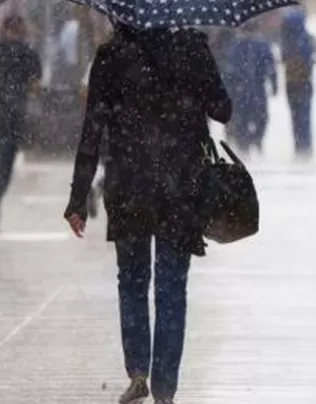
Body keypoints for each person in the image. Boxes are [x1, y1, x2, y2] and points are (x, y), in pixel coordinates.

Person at [64, 24, 231, 404]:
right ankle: (165, 388)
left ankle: (138, 370)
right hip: (180, 186)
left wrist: (78, 198)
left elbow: (92, 128)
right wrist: (198, 83)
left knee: (133, 280)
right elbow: (223, 109)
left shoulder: (110, 56)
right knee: (172, 287)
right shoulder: (192, 48)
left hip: (129, 183)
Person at [0, 15, 42, 232]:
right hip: (12, 117)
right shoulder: (28, 53)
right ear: (21, 30)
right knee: (4, 166)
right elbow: (34, 86)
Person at [225, 23, 277, 154]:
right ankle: (247, 143)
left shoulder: (241, 45)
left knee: (250, 117)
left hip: (247, 88)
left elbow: (270, 65)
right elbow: (271, 66)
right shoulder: (239, 45)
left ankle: (249, 142)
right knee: (253, 116)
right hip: (246, 88)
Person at [280, 2, 316, 158]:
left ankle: (298, 145)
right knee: (305, 114)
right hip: (306, 82)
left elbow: (283, 59)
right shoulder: (308, 39)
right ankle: (306, 145)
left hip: (290, 82)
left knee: (294, 115)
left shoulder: (286, 41)